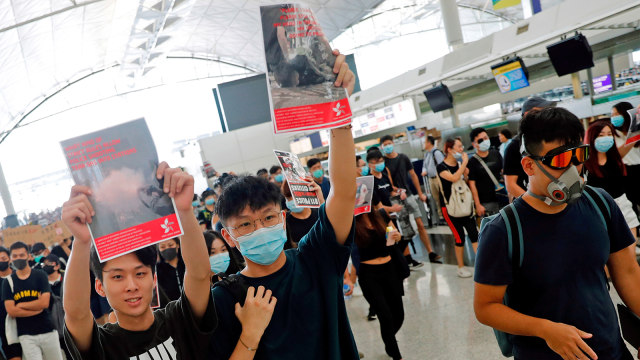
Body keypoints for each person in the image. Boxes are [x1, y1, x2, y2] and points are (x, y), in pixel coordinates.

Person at [209, 50, 359, 359]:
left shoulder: (315, 258)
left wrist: (339, 115)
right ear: (228, 236)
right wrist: (250, 335)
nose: (260, 228)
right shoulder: (225, 299)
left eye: (267, 218)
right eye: (246, 224)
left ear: (283, 218)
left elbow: (343, 192)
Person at [61, 163, 276, 359]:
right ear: (100, 286)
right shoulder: (103, 345)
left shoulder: (178, 319)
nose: (131, 286)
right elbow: (76, 313)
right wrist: (81, 242)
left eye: (140, 273)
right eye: (117, 276)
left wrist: (183, 210)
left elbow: (199, 274)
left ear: (153, 279)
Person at [474, 107, 640, 360]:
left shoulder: (600, 203)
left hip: (610, 350)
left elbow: (628, 273)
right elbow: (486, 307)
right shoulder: (504, 229)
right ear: (529, 165)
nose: (573, 169)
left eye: (578, 156)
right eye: (560, 160)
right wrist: (544, 329)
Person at [379, 135, 441, 263]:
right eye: (385, 144)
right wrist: (397, 191)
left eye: (389, 143)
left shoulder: (403, 158)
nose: (388, 146)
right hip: (395, 199)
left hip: (409, 196)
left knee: (420, 224)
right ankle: (407, 257)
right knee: (404, 228)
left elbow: (413, 175)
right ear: (381, 147)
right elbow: (388, 183)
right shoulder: (383, 162)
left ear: (393, 143)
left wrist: (420, 193)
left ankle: (430, 252)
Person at [354, 209, 404, 360]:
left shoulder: (380, 215)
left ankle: (388, 341)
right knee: (385, 315)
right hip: (369, 274)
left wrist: (397, 236)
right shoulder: (351, 222)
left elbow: (396, 235)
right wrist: (349, 277)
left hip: (390, 270)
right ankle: (396, 354)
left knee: (399, 314)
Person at [2, 241, 63, 360]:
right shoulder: (8, 282)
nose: (18, 258)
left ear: (28, 256)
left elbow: (44, 303)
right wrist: (36, 308)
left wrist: (20, 305)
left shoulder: (40, 275)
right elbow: (11, 311)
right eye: (15, 256)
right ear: (10, 258)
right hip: (26, 335)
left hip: (48, 331)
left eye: (21, 255)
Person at [367, 149, 422, 268]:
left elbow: (390, 191)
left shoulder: (385, 175)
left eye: (381, 160)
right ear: (370, 164)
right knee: (391, 241)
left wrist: (399, 193)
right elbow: (378, 206)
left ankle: (407, 259)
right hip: (383, 217)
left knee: (404, 236)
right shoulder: (369, 181)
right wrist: (392, 208)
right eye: (376, 162)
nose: (380, 163)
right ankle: (395, 263)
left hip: (395, 213)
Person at [585, 120, 640, 234]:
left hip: (623, 207)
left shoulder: (615, 157)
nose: (606, 138)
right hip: (600, 211)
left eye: (610, 134)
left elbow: (633, 139)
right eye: (601, 135)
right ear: (591, 137)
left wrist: (636, 118)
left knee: (631, 242)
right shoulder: (584, 164)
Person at [437, 138, 478, 278]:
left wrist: (465, 171)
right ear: (449, 149)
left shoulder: (461, 164)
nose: (462, 149)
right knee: (459, 237)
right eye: (459, 146)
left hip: (465, 205)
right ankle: (460, 267)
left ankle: (480, 265)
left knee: (474, 234)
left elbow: (464, 181)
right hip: (450, 209)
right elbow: (454, 178)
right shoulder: (441, 167)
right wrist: (465, 163)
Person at [503, 97, 556, 201]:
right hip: (530, 208)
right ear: (528, 114)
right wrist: (535, 203)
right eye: (542, 112)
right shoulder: (514, 146)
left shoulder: (549, 140)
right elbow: (510, 184)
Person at [611, 101, 640, 215]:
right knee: (631, 206)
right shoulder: (612, 134)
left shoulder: (636, 129)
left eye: (616, 114)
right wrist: (634, 136)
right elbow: (619, 155)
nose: (614, 118)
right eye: (612, 115)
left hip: (639, 169)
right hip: (625, 172)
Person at [467, 127, 503, 217]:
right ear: (474, 144)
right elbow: (472, 184)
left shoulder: (496, 153)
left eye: (486, 138)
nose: (484, 141)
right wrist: (478, 205)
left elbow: (504, 172)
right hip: (486, 202)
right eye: (480, 140)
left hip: (502, 197)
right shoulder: (472, 162)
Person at [281, 178, 324, 249]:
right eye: (288, 198)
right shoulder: (285, 222)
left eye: (294, 196)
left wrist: (321, 201)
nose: (292, 201)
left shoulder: (318, 213)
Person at [0, 246, 21, 360]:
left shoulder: (20, 276)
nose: (1, 262)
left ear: (9, 259)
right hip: (6, 331)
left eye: (3, 258)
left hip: (27, 326)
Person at [421, 135, 445, 223]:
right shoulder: (427, 154)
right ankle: (441, 216)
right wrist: (424, 171)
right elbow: (424, 166)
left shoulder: (436, 153)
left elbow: (442, 165)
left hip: (438, 178)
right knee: (436, 198)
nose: (424, 144)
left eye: (425, 142)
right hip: (431, 179)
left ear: (429, 143)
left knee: (443, 197)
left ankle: (447, 215)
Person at [156, 237, 185, 305]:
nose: (167, 248)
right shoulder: (157, 270)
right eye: (162, 247)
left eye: (170, 245)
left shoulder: (186, 263)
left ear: (178, 245)